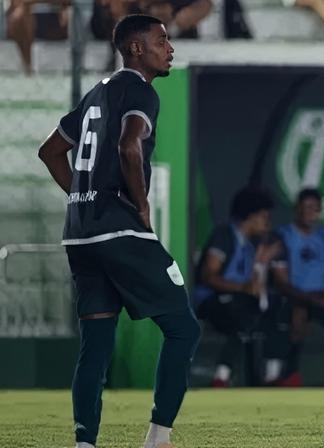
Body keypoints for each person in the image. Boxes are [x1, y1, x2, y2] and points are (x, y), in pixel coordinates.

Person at [37, 15, 199, 448]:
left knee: (96, 343)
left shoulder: (96, 93)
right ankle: (158, 437)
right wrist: (141, 205)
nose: (170, 48)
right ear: (135, 49)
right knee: (184, 329)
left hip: (80, 236)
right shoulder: (140, 91)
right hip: (119, 232)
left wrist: (82, 196)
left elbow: (50, 151)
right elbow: (130, 145)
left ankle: (84, 443)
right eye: (162, 41)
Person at [193, 188, 280, 388]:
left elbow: (255, 289)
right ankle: (221, 378)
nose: (267, 223)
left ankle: (269, 376)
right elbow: (209, 276)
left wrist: (262, 262)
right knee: (245, 310)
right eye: (264, 217)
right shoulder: (224, 235)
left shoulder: (251, 246)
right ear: (251, 216)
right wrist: (242, 287)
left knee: (272, 307)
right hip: (211, 301)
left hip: (240, 302)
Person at [272, 188, 324, 386]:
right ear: (297, 209)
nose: (312, 212)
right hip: (292, 299)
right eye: (307, 207)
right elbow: (281, 282)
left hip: (320, 300)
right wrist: (306, 299)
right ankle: (290, 375)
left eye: (316, 208)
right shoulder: (282, 236)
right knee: (298, 313)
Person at [6, 0, 69, 75]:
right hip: (28, 19)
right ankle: (28, 66)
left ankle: (28, 67)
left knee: (21, 12)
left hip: (56, 18)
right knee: (19, 16)